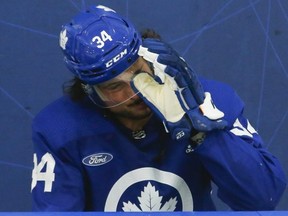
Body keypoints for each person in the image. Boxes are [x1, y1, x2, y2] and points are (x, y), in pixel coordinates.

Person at [31, 5, 287, 212]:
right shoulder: (60, 128)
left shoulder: (213, 101)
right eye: (113, 86)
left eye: (139, 73)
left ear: (152, 55)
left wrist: (203, 130)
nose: (133, 92)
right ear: (89, 89)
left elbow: (262, 198)